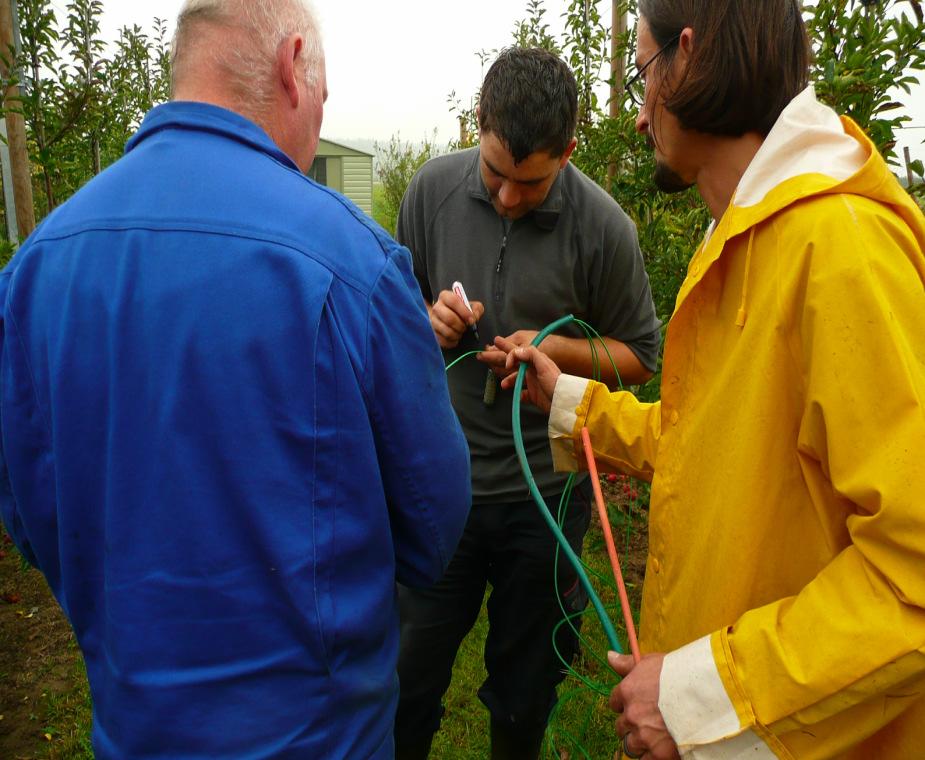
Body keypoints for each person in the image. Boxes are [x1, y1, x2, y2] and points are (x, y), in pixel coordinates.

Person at [0, 0, 471, 757]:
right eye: (323, 93)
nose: (319, 117)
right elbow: (434, 518)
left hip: (133, 727)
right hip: (320, 735)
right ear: (292, 66)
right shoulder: (352, 264)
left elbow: (30, 509)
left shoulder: (37, 267)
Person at [505, 2, 925, 758]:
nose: (637, 118)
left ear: (686, 58)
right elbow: (712, 448)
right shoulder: (742, 239)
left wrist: (704, 693)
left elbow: (913, 582)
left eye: (639, 75)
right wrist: (568, 399)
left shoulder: (840, 249)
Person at [394, 47, 662, 759]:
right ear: (478, 124)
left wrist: (559, 355)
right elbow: (389, 315)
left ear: (568, 151)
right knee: (406, 676)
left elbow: (638, 356)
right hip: (441, 485)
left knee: (523, 690)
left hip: (545, 494)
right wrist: (425, 320)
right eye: (495, 175)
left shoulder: (604, 229)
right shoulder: (430, 192)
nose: (509, 197)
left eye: (531, 182)